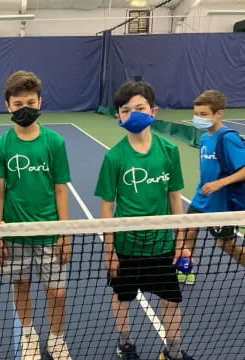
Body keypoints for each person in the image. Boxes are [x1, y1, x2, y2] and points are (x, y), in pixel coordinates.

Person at [94, 81, 194, 360]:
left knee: (172, 300)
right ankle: (125, 344)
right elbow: (107, 204)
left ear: (154, 111)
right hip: (126, 246)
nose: (133, 114)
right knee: (122, 297)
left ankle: (172, 350)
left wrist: (183, 243)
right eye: (126, 110)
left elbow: (176, 199)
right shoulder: (114, 157)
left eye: (140, 108)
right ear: (118, 117)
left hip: (162, 245)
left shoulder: (169, 151)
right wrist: (109, 251)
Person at [0, 71, 72, 360]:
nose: (24, 107)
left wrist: (65, 233)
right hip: (15, 233)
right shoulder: (1, 146)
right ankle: (28, 336)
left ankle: (57, 340)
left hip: (50, 232)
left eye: (30, 101)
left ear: (40, 102)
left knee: (57, 294)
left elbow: (61, 190)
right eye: (18, 102)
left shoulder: (55, 142)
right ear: (8, 106)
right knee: (21, 286)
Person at [188, 90, 245, 266]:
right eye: (196, 114)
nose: (198, 118)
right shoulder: (205, 138)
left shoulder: (229, 138)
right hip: (202, 197)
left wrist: (220, 183)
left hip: (220, 204)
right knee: (186, 231)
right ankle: (184, 270)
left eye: (203, 114)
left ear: (219, 113)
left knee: (225, 244)